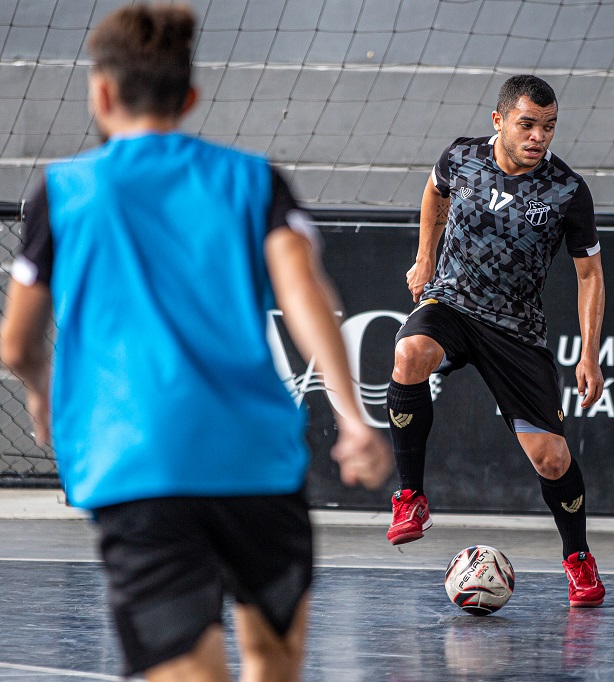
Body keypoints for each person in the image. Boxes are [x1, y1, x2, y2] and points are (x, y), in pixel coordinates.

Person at [0, 4, 392, 680]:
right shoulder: (254, 180)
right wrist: (353, 417)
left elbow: (15, 345)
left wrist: (42, 390)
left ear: (101, 92)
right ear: (189, 98)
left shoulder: (64, 192)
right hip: (255, 462)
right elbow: (305, 290)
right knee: (274, 662)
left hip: (137, 464)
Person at [386, 74, 606, 607]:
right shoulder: (461, 157)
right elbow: (434, 190)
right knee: (409, 351)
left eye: (548, 127)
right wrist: (424, 257)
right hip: (452, 304)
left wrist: (589, 354)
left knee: (551, 460)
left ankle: (578, 558)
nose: (538, 137)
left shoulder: (567, 191)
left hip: (515, 331)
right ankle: (410, 497)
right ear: (499, 121)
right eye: (527, 124)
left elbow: (590, 275)